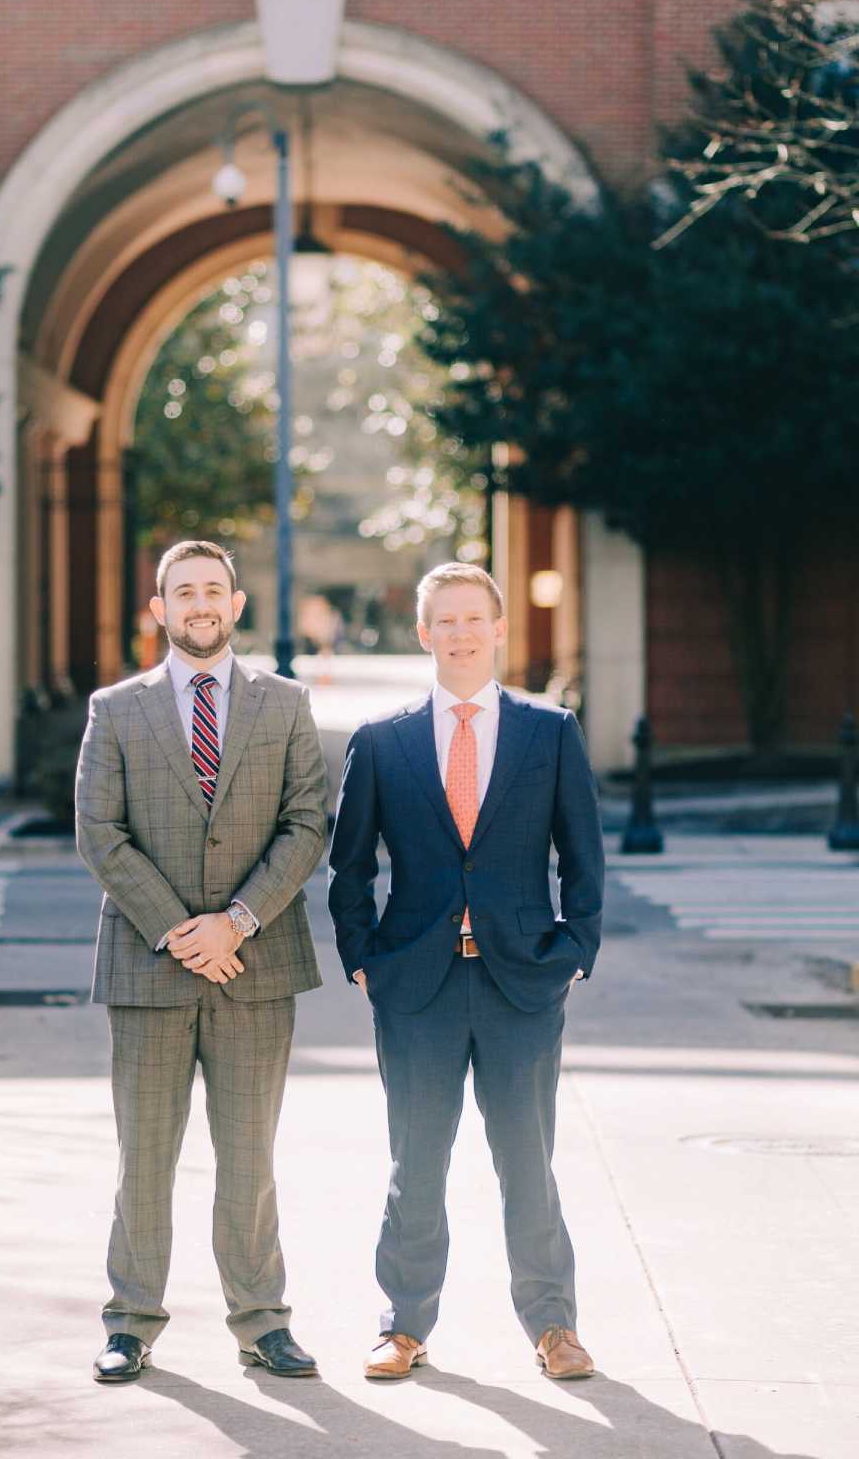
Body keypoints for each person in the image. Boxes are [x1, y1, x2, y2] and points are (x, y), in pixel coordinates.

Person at [328, 561, 604, 1381]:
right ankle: (403, 1326)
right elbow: (349, 869)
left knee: (528, 1161)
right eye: (442, 621)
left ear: (498, 628)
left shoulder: (548, 731)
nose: (458, 633)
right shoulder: (382, 741)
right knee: (417, 1162)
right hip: (417, 986)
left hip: (523, 980)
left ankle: (554, 1327)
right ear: (424, 634)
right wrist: (362, 962)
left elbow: (582, 854)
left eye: (471, 618)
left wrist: (575, 952)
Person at [76, 539, 327, 1383]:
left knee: (249, 1154)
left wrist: (239, 921)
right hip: (150, 967)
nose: (199, 604)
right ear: (159, 610)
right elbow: (99, 834)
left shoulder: (286, 703)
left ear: (237, 602)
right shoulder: (116, 709)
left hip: (256, 965)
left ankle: (262, 1320)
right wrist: (184, 929)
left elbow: (306, 825)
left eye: (213, 590)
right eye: (183, 592)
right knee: (144, 1155)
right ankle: (130, 1322)